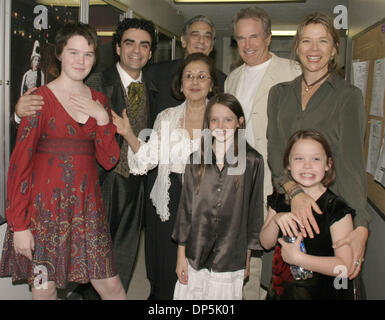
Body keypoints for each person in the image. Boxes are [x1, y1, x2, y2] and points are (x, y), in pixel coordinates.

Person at [0, 23, 127, 300]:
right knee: (45, 291)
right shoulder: (38, 101)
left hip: (87, 213)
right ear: (59, 54)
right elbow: (19, 166)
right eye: (73, 52)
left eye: (88, 54)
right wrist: (19, 226)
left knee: (113, 288)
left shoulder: (100, 101)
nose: (81, 61)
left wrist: (103, 119)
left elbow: (109, 160)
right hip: (44, 217)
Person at [267, 12, 370, 294]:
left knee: (328, 286)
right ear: (297, 47)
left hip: (327, 211)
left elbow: (352, 165)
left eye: (323, 41)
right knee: (286, 284)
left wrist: (360, 226)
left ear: (334, 49)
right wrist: (293, 192)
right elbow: (275, 151)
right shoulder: (278, 93)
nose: (314, 49)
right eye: (307, 41)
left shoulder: (347, 96)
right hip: (287, 203)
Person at [113, 52, 219, 300]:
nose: (194, 81)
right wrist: (129, 134)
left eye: (202, 76)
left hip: (210, 200)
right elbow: (147, 159)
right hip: (171, 198)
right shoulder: (167, 117)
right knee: (167, 265)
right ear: (180, 84)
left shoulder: (221, 119)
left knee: (204, 266)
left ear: (211, 83)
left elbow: (236, 164)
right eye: (189, 76)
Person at [224, 6, 302, 299]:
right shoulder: (232, 79)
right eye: (241, 38)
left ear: (268, 37)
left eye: (254, 37)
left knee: (279, 255)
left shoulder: (293, 72)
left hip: (278, 178)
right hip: (240, 178)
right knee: (245, 251)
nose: (248, 45)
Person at [172, 93, 264, 300]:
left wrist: (246, 260)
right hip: (195, 253)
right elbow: (185, 211)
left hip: (231, 257)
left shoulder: (252, 161)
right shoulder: (196, 160)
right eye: (214, 120)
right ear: (208, 124)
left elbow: (254, 214)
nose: (221, 125)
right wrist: (181, 257)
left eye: (228, 119)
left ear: (240, 122)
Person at [260, 129, 355, 300]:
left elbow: (345, 266)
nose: (307, 165)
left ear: (328, 164)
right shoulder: (281, 199)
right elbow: (265, 243)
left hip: (323, 293)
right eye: (299, 158)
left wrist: (299, 258)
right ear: (288, 164)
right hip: (283, 293)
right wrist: (276, 219)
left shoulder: (335, 208)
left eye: (316, 159)